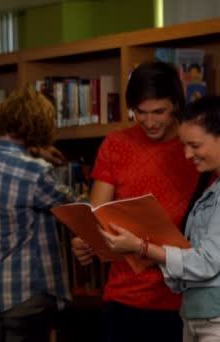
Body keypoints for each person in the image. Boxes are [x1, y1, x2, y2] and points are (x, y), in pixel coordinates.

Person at [71, 61, 199, 342]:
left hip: (184, 300)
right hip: (124, 297)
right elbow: (97, 216)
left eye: (159, 112)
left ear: (176, 105)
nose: (150, 122)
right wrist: (86, 242)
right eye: (141, 113)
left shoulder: (195, 146)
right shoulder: (117, 144)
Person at [100, 95, 220, 341]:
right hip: (195, 315)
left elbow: (207, 263)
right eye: (184, 145)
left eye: (195, 146)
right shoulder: (211, 189)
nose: (187, 155)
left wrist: (142, 248)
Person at [0, 85, 75, 342]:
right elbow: (75, 205)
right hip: (25, 294)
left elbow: (5, 156)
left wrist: (34, 150)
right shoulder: (36, 173)